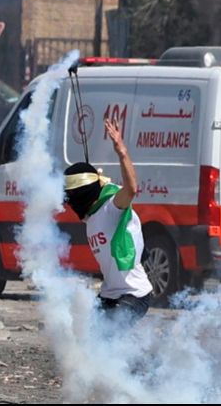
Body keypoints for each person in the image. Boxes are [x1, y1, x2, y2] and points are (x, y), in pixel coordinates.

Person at [63, 119, 153, 324]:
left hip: (134, 294)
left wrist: (122, 152)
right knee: (88, 338)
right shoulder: (91, 215)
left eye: (72, 198)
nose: (70, 205)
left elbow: (131, 189)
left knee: (108, 339)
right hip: (110, 294)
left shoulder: (111, 207)